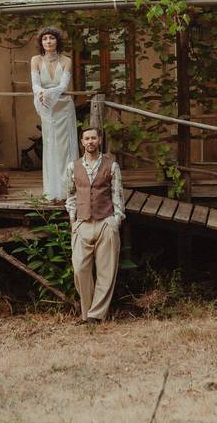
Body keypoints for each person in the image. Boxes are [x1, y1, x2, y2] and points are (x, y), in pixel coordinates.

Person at [64, 127, 125, 323]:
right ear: (82, 142)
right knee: (80, 269)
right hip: (82, 222)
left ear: (99, 140)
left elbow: (118, 195)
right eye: (86, 138)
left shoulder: (112, 166)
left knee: (106, 271)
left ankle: (95, 316)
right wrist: (73, 219)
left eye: (93, 138)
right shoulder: (73, 167)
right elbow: (70, 195)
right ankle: (86, 311)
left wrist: (116, 220)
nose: (90, 141)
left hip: (105, 221)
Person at [30, 27, 78, 200]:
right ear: (41, 42)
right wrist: (41, 94)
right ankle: (53, 189)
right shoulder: (35, 60)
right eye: (45, 39)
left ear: (57, 40)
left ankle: (69, 189)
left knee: (66, 147)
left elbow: (63, 86)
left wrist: (47, 94)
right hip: (46, 107)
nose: (48, 41)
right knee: (50, 146)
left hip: (64, 106)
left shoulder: (66, 60)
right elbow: (35, 84)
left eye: (51, 38)